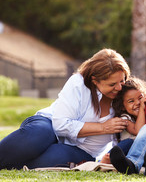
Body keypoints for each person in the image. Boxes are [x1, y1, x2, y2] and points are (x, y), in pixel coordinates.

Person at [0, 48, 131, 170]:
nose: (119, 87)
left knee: (57, 157)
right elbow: (60, 124)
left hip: (81, 150)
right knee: (40, 134)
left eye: (122, 80)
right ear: (95, 81)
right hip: (49, 124)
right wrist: (103, 127)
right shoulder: (78, 83)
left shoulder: (127, 95)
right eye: (112, 84)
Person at [99, 77, 146, 163]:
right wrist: (142, 108)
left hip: (140, 153)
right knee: (130, 142)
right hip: (126, 151)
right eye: (131, 101)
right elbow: (139, 131)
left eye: (140, 98)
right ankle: (107, 159)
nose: (138, 103)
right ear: (123, 107)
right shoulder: (125, 119)